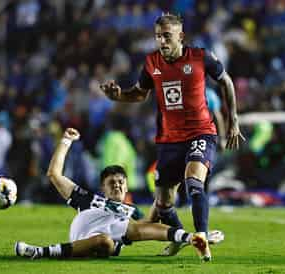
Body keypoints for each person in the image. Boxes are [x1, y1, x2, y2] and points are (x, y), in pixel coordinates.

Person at [100, 13, 244, 261]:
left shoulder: (201, 57)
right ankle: (179, 238)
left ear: (181, 36)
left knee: (194, 183)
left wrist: (233, 121)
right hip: (168, 140)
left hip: (201, 132)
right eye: (158, 36)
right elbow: (139, 94)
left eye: (167, 36)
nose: (162, 41)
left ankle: (201, 237)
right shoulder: (151, 62)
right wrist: (118, 96)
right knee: (164, 203)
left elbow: (226, 82)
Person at [15, 128, 224, 260]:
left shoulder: (131, 211)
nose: (116, 186)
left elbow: (150, 226)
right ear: (103, 188)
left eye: (120, 182)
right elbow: (54, 174)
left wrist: (169, 186)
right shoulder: (87, 199)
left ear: (127, 187)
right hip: (83, 239)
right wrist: (65, 142)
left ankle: (194, 237)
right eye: (111, 183)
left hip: (107, 243)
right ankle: (39, 252)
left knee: (117, 235)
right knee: (106, 238)